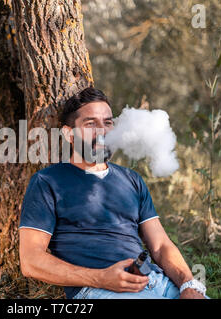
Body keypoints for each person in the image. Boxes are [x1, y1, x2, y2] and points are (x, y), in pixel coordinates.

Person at [18, 87, 207, 299]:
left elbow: (161, 245)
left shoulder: (132, 179)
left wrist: (189, 285)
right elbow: (31, 261)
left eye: (108, 123)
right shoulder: (47, 182)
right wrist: (101, 278)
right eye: (91, 124)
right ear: (68, 133)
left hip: (158, 283)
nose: (103, 132)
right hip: (100, 290)